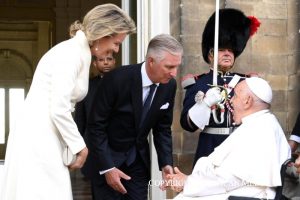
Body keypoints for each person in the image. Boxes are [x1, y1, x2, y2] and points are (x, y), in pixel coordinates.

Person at [0, 3, 136, 200]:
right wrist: (80, 147)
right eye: (116, 43)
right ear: (103, 34)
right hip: (39, 134)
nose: (115, 50)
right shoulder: (70, 54)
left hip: (45, 132)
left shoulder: (77, 53)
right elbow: (58, 107)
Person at [82, 34, 183, 200]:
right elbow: (95, 126)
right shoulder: (116, 79)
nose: (174, 73)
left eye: (177, 66)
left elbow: (162, 128)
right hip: (106, 160)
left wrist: (166, 163)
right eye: (169, 67)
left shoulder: (169, 86)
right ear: (151, 61)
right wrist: (107, 167)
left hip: (138, 164)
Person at [168, 77, 291, 200]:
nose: (231, 101)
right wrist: (190, 180)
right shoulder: (264, 122)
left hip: (244, 194)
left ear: (247, 101)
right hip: (240, 190)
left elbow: (228, 179)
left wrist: (188, 183)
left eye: (235, 96)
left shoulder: (259, 128)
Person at [180, 8, 261, 165]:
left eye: (231, 50)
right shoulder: (198, 83)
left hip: (238, 149)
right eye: (222, 49)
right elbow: (187, 124)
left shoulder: (245, 82)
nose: (227, 54)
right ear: (211, 54)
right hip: (210, 148)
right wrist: (204, 105)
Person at [75, 50, 116, 137]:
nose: (106, 62)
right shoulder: (87, 86)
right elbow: (80, 118)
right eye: (101, 60)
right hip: (91, 140)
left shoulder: (122, 83)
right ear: (94, 63)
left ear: (114, 61)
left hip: (116, 140)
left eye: (109, 59)